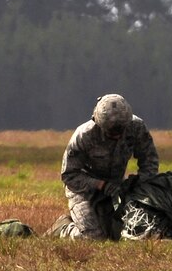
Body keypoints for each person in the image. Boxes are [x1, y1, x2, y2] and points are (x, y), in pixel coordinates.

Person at [57, 94, 159, 240]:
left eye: (121, 131)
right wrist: (100, 185)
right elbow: (69, 175)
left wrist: (140, 183)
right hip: (84, 191)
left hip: (117, 188)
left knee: (131, 233)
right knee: (93, 237)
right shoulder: (84, 136)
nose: (117, 136)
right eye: (112, 132)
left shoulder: (136, 127)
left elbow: (149, 159)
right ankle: (63, 228)